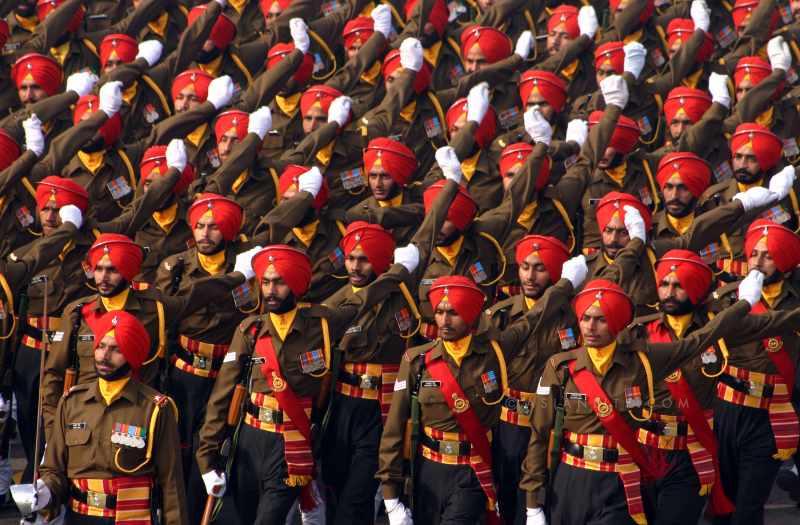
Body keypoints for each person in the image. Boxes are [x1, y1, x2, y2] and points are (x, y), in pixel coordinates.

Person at [35, 311, 187, 524]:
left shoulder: (155, 408)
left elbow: (171, 482)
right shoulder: (71, 402)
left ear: (132, 355)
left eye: (116, 349)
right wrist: (45, 491)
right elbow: (54, 468)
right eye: (101, 346)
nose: (104, 356)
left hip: (131, 517)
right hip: (80, 517)